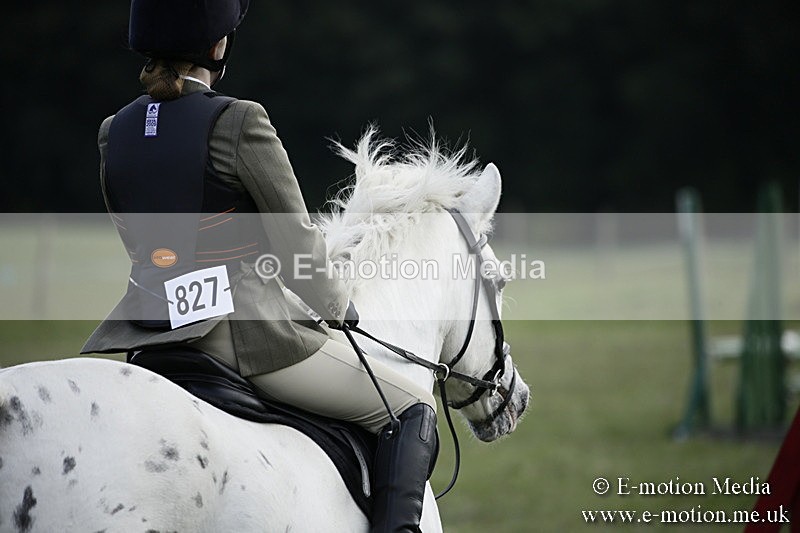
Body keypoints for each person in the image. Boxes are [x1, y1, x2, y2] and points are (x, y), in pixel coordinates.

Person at [81, 1, 437, 531]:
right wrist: (337, 308)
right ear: (218, 47)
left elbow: (140, 242)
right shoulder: (239, 121)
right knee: (412, 406)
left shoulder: (116, 131)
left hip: (151, 332)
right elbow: (296, 242)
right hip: (243, 336)